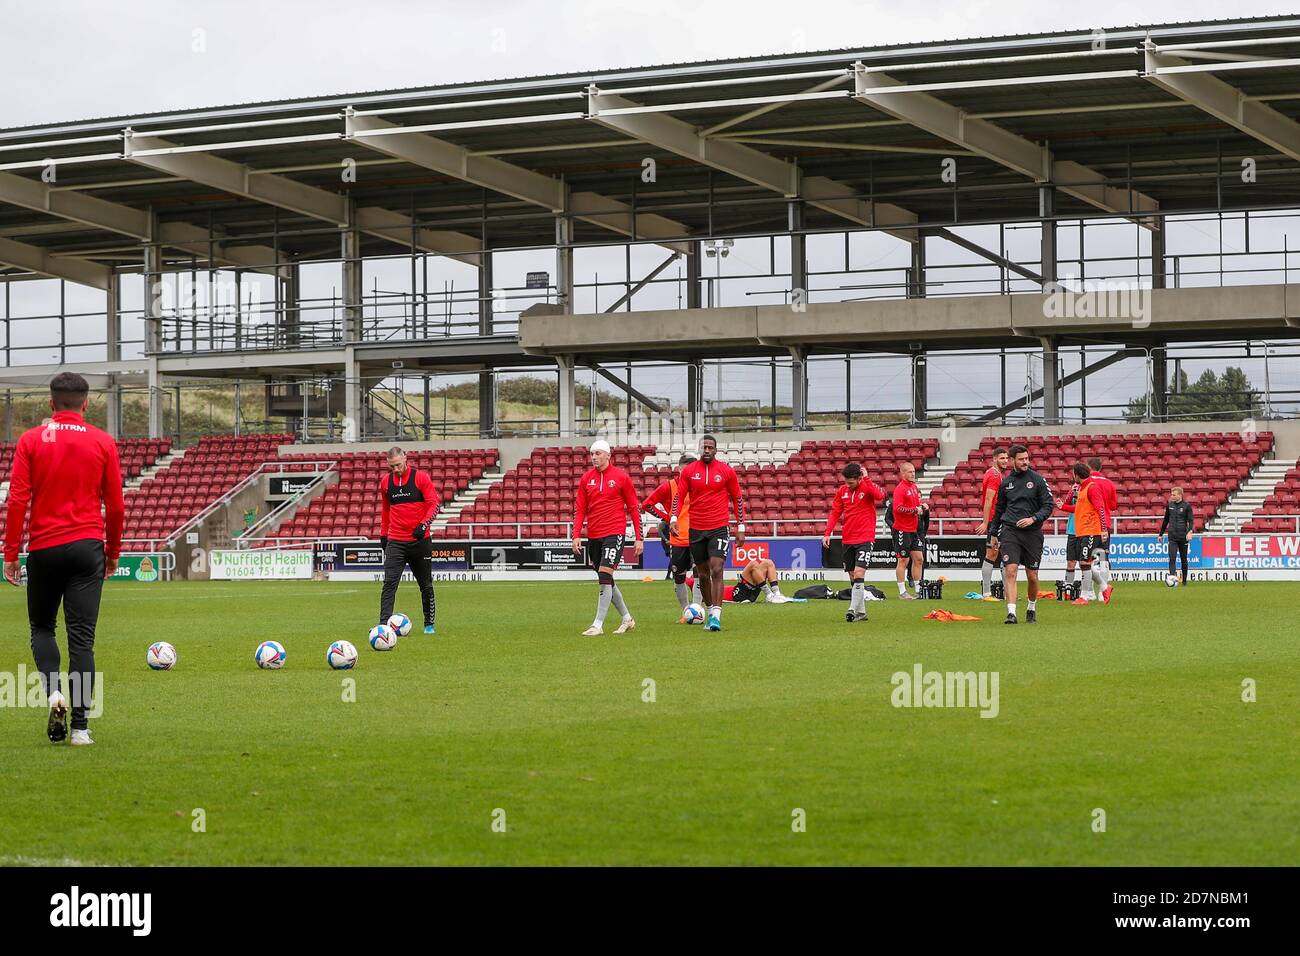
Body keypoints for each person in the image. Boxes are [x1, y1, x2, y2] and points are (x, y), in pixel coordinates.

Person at [3, 372, 124, 747]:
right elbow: (116, 506)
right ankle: (81, 728)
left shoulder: (30, 440)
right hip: (87, 546)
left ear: (51, 404)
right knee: (82, 642)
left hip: (44, 548)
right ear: (86, 404)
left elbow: (18, 500)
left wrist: (9, 554)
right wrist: (112, 552)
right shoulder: (103, 442)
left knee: (42, 628)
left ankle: (54, 692)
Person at [671, 435, 745, 632]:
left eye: (710, 447)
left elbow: (737, 498)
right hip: (696, 529)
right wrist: (673, 518)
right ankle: (710, 610)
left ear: (715, 450)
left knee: (717, 569)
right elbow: (679, 496)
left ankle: (716, 617)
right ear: (699, 449)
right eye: (704, 447)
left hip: (719, 527)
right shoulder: (689, 471)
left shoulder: (726, 471)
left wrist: (741, 527)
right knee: (703, 574)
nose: (707, 450)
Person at [573, 439, 644, 636]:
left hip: (615, 532)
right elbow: (580, 509)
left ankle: (597, 624)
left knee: (604, 577)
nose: (594, 457)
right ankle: (627, 619)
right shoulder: (587, 478)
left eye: (597, 453)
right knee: (607, 580)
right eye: (592, 454)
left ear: (607, 455)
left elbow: (633, 508)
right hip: (594, 535)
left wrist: (639, 537)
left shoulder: (621, 477)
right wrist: (576, 535)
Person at [378, 446, 440, 635]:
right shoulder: (386, 482)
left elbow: (433, 504)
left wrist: (424, 524)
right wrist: (383, 534)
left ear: (405, 458)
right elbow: (386, 510)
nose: (395, 469)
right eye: (391, 466)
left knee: (426, 584)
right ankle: (383, 627)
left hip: (419, 542)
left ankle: (429, 624)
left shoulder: (420, 478)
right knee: (389, 583)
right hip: (396, 540)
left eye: (397, 465)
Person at [991, 444, 1054, 625]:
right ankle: (1011, 613)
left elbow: (1048, 506)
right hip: (1010, 531)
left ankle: (1031, 607)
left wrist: (1033, 519)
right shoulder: (1006, 483)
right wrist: (993, 533)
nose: (1025, 462)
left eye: (1027, 458)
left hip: (1032, 533)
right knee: (1010, 571)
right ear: (1012, 461)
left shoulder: (1038, 480)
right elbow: (999, 509)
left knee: (1032, 576)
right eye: (1021, 459)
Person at [824, 462, 886, 623]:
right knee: (853, 575)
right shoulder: (842, 491)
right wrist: (827, 532)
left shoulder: (867, 487)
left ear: (859, 478)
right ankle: (862, 612)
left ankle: (851, 609)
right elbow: (835, 512)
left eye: (851, 482)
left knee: (859, 573)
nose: (848, 485)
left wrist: (867, 479)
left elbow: (880, 496)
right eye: (846, 482)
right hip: (848, 538)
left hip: (865, 538)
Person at [641, 454, 700, 621]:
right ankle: (685, 612)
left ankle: (697, 609)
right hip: (678, 539)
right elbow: (646, 504)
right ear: (679, 469)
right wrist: (667, 518)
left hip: (698, 537)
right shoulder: (670, 487)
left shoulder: (699, 487)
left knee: (699, 573)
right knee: (679, 578)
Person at [1066, 462, 1110, 606]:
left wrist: (1103, 529)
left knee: (1085, 562)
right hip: (1082, 531)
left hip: (1091, 531)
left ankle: (1084, 597)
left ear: (1077, 475)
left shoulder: (1092, 487)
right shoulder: (1083, 488)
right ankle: (1105, 587)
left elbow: (1101, 508)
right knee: (1084, 563)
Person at [975, 446, 1010, 599]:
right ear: (995, 459)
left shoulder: (993, 473)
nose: (1005, 461)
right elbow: (989, 499)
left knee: (1002, 553)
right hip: (995, 521)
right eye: (1002, 458)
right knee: (992, 553)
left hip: (999, 519)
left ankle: (1008, 590)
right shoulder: (995, 476)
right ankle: (987, 592)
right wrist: (985, 522)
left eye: (1007, 458)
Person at [890, 462, 925, 600]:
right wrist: (914, 510)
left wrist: (921, 507)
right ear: (903, 474)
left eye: (913, 471)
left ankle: (918, 589)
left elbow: (915, 506)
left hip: (913, 529)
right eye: (910, 472)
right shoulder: (900, 489)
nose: (913, 473)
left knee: (919, 559)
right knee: (903, 560)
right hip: (902, 530)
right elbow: (897, 508)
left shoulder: (914, 487)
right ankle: (902, 592)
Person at [1085, 456, 1118, 604]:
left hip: (1090, 524)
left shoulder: (1086, 482)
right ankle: (1102, 594)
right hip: (1106, 525)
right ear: (1100, 467)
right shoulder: (1109, 483)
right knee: (1103, 558)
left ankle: (1089, 591)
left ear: (1088, 467)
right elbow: (1113, 506)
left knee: (1087, 559)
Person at [687, 558, 787, 604]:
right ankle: (769, 595)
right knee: (753, 564)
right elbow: (681, 581)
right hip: (737, 595)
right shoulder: (695, 583)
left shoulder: (711, 580)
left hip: (742, 591)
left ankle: (776, 594)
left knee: (768, 562)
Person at [1159, 486, 1195, 586]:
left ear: (1180, 495)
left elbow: (1191, 520)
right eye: (1171, 494)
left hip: (1183, 536)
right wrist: (1161, 534)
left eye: (1174, 494)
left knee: (1184, 559)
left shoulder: (1187, 506)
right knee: (1172, 558)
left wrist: (1190, 531)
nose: (1172, 496)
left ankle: (1184, 581)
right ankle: (1172, 578)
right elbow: (1165, 520)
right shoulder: (1169, 505)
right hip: (1172, 536)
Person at [1058, 479, 1082, 598]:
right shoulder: (1075, 487)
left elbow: (1079, 508)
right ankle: (1068, 589)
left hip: (1085, 530)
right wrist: (1072, 493)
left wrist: (1062, 507)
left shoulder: (1089, 488)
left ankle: (1088, 591)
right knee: (1071, 561)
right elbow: (1068, 503)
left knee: (1085, 563)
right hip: (1073, 530)